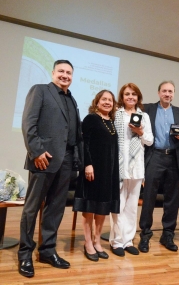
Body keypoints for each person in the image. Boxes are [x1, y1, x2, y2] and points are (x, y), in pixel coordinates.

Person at [18, 60, 83, 277]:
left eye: (69, 73)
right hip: (43, 159)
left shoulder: (72, 100)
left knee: (55, 209)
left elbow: (73, 133)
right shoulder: (40, 91)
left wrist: (76, 160)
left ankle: (47, 250)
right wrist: (36, 152)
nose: (65, 75)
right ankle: (25, 253)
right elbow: (28, 123)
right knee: (32, 208)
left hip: (66, 162)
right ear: (53, 72)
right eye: (61, 71)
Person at [138, 81, 179, 253]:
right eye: (164, 91)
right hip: (154, 156)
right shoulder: (147, 109)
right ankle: (145, 234)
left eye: (170, 91)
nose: (167, 94)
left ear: (174, 94)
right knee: (149, 197)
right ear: (159, 93)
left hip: (173, 157)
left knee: (172, 199)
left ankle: (168, 234)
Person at [73, 90, 120, 262]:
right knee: (90, 207)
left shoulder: (111, 122)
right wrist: (88, 164)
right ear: (97, 101)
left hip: (109, 171)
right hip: (93, 169)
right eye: (104, 99)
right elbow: (83, 143)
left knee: (102, 208)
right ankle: (87, 243)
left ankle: (97, 240)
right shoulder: (91, 119)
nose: (107, 102)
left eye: (110, 100)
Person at [109, 83, 153, 257]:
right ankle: (117, 241)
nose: (130, 97)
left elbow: (150, 140)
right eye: (127, 94)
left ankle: (128, 241)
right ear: (122, 96)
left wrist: (140, 132)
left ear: (138, 97)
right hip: (118, 166)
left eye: (134, 94)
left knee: (132, 206)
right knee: (118, 205)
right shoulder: (115, 114)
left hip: (136, 166)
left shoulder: (144, 116)